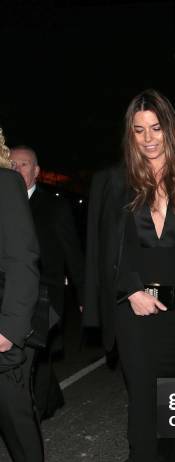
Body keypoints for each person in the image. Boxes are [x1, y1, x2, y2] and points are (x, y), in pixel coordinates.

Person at [83, 90, 175, 462]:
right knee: (143, 399)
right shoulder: (113, 182)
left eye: (156, 128)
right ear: (130, 136)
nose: (149, 139)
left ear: (169, 129)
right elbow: (104, 249)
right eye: (139, 130)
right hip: (131, 308)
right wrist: (129, 290)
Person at [10, 146, 84, 421]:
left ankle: (34, 415)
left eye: (24, 164)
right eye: (12, 164)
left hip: (44, 294)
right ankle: (49, 398)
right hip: (11, 296)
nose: (17, 169)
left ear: (37, 171)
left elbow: (72, 253)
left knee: (35, 354)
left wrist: (83, 295)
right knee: (27, 356)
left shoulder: (54, 206)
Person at [0, 129, 48, 462]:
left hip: (2, 317)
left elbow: (22, 258)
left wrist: (11, 326)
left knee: (13, 410)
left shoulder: (6, 182)